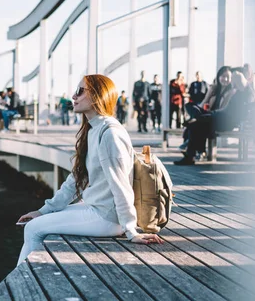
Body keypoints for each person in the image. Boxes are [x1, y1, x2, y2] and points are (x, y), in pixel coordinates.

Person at [16, 74, 163, 265]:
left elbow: (121, 185)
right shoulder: (93, 129)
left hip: (108, 218)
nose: (73, 97)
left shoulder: (110, 133)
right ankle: (32, 273)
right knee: (37, 222)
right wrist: (45, 210)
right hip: (98, 208)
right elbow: (76, 178)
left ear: (97, 95)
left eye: (79, 91)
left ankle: (25, 284)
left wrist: (130, 230)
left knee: (33, 229)